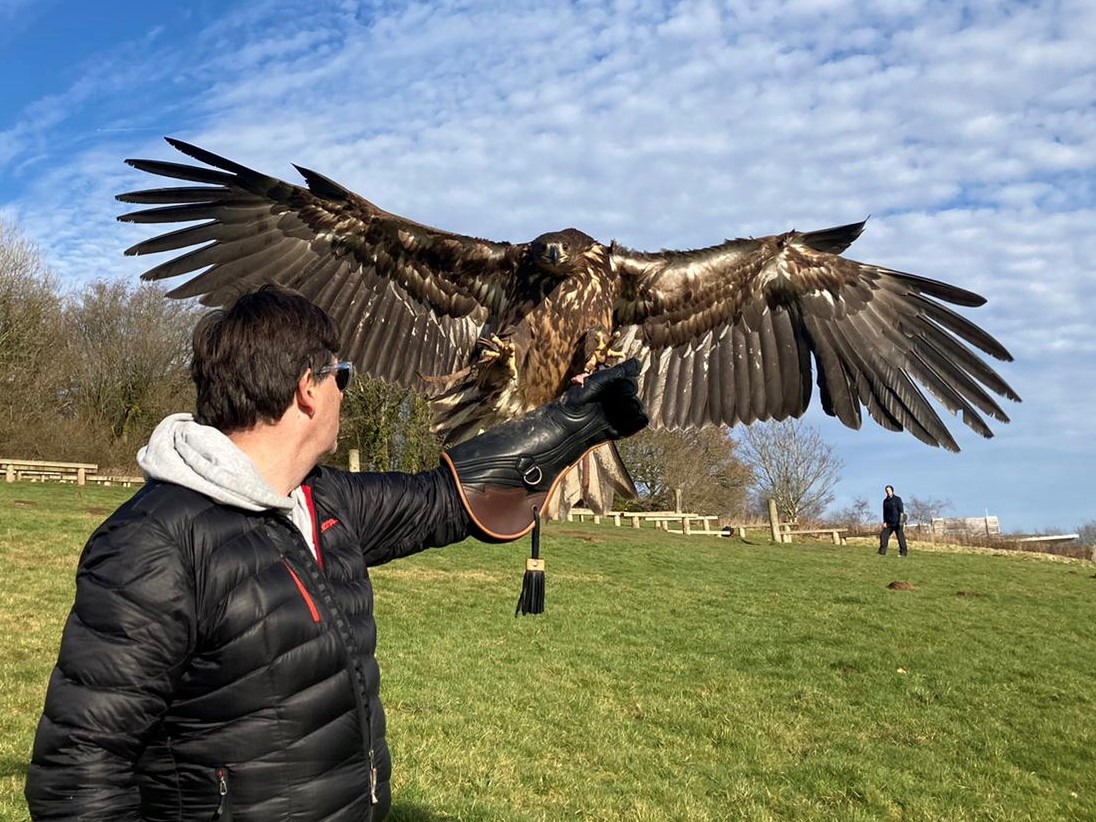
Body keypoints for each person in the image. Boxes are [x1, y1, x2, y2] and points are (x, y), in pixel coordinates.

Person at [24, 285, 648, 822]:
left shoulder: (323, 502)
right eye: (341, 376)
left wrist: (578, 423)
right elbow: (79, 769)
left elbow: (444, 500)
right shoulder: (154, 543)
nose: (347, 392)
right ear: (307, 390)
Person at [879, 484, 908, 557]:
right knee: (883, 535)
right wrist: (884, 522)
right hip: (889, 523)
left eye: (889, 490)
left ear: (892, 491)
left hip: (898, 522)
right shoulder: (885, 501)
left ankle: (903, 553)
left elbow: (901, 511)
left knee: (900, 537)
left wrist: (902, 522)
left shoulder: (898, 499)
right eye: (887, 491)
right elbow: (884, 512)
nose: (888, 492)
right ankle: (882, 551)